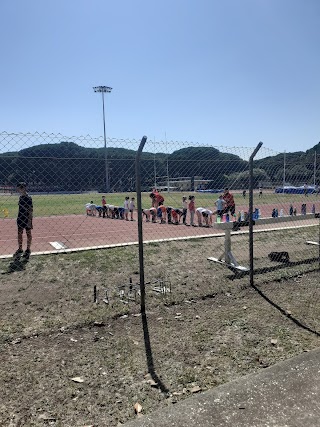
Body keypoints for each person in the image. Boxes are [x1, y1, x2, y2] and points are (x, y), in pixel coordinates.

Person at [14, 182, 33, 261]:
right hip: (20, 218)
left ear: (23, 188)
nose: (18, 190)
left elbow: (30, 210)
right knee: (19, 233)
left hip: (26, 218)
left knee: (28, 234)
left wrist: (29, 220)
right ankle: (20, 248)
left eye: (19, 188)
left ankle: (28, 249)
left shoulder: (28, 198)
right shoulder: (21, 197)